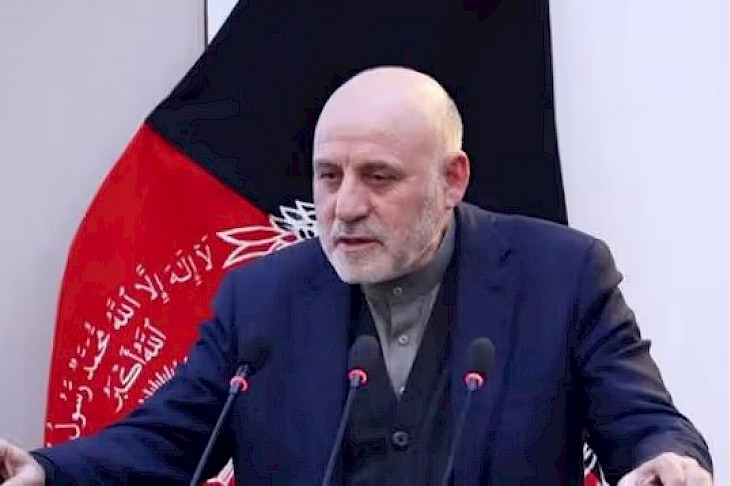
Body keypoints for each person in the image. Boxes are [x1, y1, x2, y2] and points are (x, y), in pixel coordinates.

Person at [0, 66, 713, 485]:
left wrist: (667, 461)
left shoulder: (562, 276)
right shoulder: (261, 298)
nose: (344, 206)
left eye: (378, 176)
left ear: (452, 179)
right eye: (327, 175)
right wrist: (47, 470)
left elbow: (643, 423)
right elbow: (168, 438)